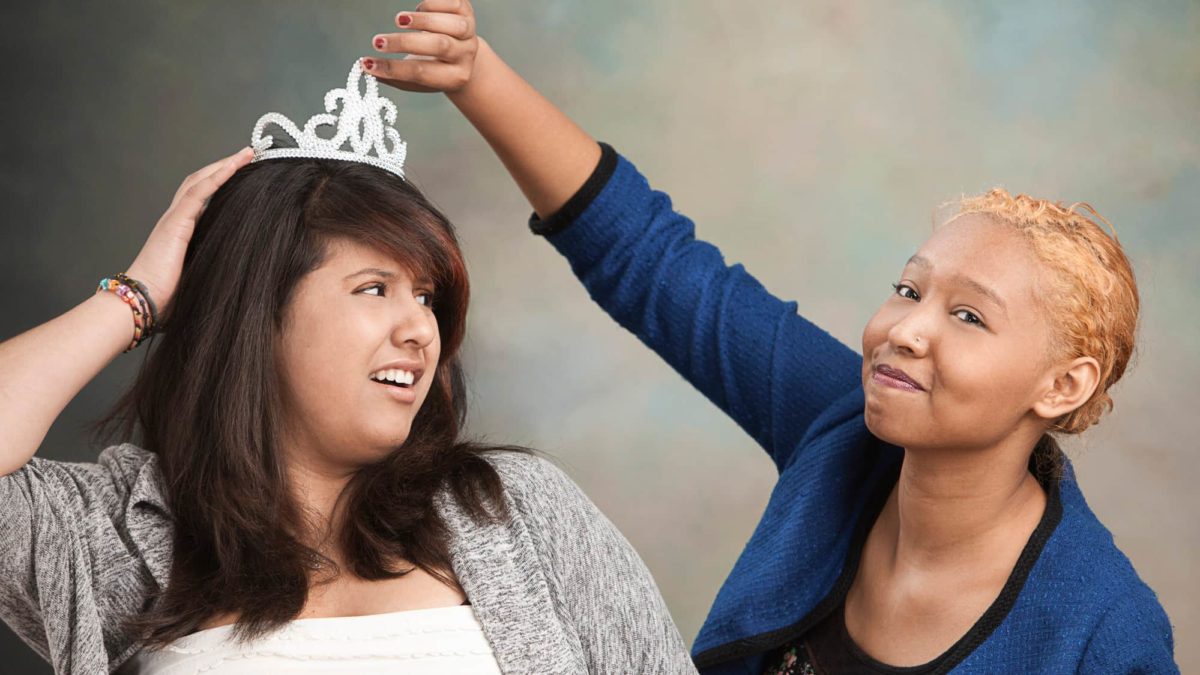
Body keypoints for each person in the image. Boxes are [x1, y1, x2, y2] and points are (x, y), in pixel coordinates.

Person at [362, 1, 1179, 672]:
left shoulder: (1105, 631)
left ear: (1063, 384)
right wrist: (476, 74)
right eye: (908, 290)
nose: (904, 330)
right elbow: (654, 264)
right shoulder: (839, 424)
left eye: (968, 316)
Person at [0, 60, 695, 674]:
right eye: (374, 288)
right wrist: (138, 296)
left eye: (425, 295)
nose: (420, 328)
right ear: (257, 310)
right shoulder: (117, 532)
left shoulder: (516, 510)